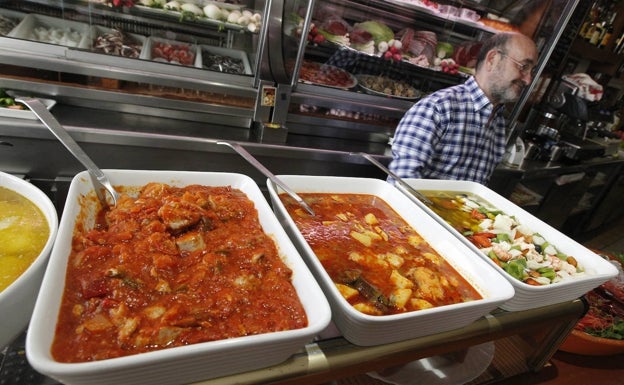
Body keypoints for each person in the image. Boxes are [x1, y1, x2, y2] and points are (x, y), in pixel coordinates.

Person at [388, 32, 538, 184]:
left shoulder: (498, 120)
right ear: (493, 59)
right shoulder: (438, 108)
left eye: (532, 71)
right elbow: (400, 185)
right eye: (523, 67)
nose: (528, 80)